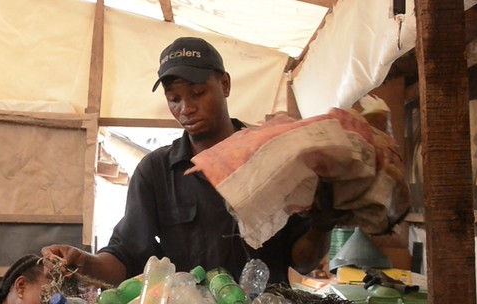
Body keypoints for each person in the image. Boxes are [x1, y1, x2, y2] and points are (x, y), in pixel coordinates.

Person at [44, 36, 340, 287]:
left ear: (224, 84)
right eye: (174, 98)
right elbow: (127, 256)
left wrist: (322, 225)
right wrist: (84, 262)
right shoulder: (156, 172)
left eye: (198, 93)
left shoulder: (273, 157)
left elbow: (303, 263)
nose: (186, 108)